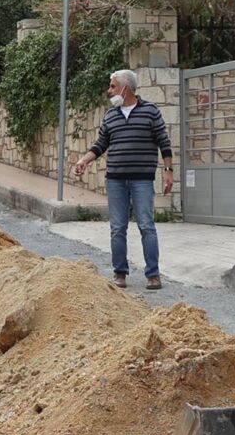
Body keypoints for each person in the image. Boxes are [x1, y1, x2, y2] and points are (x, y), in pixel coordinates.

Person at [68, 68, 172, 290]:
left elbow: (164, 141)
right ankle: (120, 274)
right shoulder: (110, 115)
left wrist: (168, 170)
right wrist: (84, 161)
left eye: (113, 86)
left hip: (142, 180)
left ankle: (153, 275)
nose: (109, 90)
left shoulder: (151, 111)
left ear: (126, 88)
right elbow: (100, 144)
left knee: (146, 226)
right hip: (115, 179)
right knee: (117, 228)